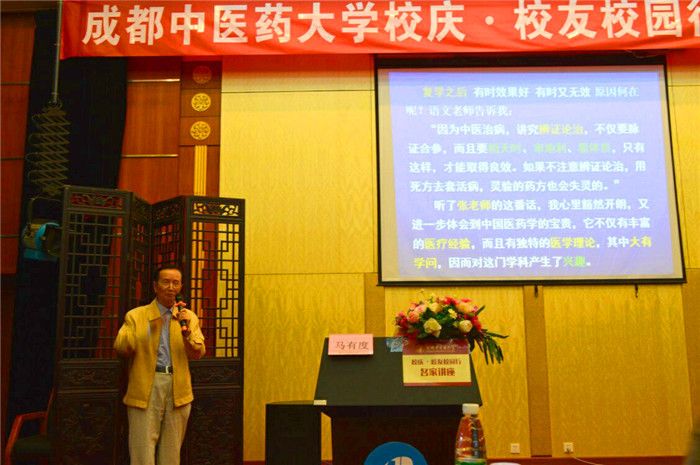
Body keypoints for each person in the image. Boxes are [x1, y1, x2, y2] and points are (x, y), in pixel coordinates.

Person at [114, 266, 205, 465]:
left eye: (176, 283)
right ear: (155, 286)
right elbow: (121, 347)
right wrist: (150, 326)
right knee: (142, 448)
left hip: (178, 387)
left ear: (181, 287)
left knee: (172, 450)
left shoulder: (188, 317)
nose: (171, 287)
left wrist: (187, 332)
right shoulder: (136, 315)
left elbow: (197, 352)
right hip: (147, 385)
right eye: (166, 282)